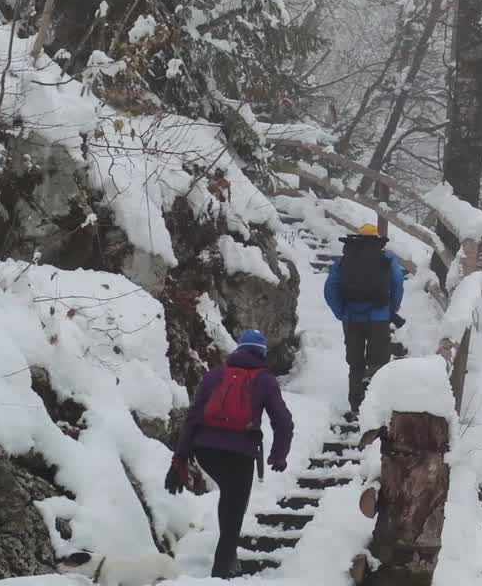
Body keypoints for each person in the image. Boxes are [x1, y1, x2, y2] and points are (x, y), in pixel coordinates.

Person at [165, 329, 293, 579]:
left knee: (230, 496)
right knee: (235, 508)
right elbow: (283, 421)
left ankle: (228, 559)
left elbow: (193, 417)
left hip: (206, 452)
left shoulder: (216, 375)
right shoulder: (265, 379)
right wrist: (279, 455)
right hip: (240, 453)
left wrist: (179, 457)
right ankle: (220, 573)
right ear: (262, 353)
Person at [323, 224, 405, 413]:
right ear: (377, 240)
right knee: (378, 361)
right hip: (379, 318)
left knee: (355, 362)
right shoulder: (386, 258)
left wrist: (340, 311)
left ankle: (355, 405)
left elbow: (330, 289)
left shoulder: (344, 261)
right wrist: (391, 308)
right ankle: (375, 406)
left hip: (352, 318)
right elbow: (398, 283)